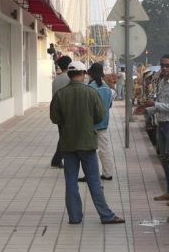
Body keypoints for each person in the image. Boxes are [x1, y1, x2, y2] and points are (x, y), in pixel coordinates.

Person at [50, 61, 125, 225]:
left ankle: (75, 217)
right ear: (83, 73)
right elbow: (99, 116)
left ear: (69, 74)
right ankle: (105, 215)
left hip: (68, 143)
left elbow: (54, 118)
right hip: (87, 143)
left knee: (70, 181)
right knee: (94, 181)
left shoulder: (60, 94)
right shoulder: (91, 93)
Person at [145, 54, 169, 206]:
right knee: (163, 159)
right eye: (162, 65)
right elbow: (160, 103)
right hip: (161, 123)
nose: (164, 68)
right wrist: (149, 109)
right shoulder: (161, 81)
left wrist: (155, 105)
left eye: (168, 65)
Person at [78, 63, 114, 182]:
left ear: (91, 74)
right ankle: (108, 173)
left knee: (89, 151)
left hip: (90, 124)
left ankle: (90, 174)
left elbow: (85, 107)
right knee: (104, 149)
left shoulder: (90, 88)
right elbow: (109, 105)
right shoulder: (107, 88)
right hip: (103, 123)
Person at [50, 55, 72, 168]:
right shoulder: (70, 78)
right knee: (65, 137)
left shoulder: (56, 80)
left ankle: (57, 159)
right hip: (68, 112)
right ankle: (57, 159)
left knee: (63, 135)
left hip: (58, 111)